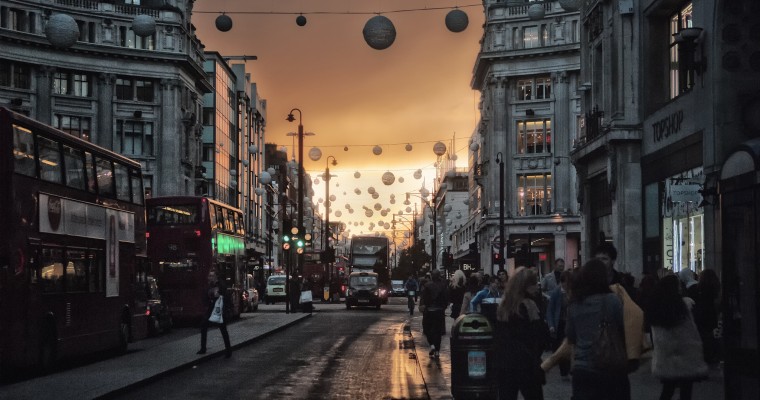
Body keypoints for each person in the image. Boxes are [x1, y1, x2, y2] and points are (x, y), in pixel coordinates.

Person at [565, 259, 629, 400]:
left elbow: (571, 336)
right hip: (609, 365)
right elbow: (622, 328)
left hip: (582, 367)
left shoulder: (574, 304)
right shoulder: (612, 300)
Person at [646, 274, 708, 400]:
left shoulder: (656, 308)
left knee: (668, 390)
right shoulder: (683, 306)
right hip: (685, 354)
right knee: (686, 392)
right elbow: (691, 331)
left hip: (666, 356)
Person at [493, 267, 548, 400]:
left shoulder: (504, 306)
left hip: (505, 363)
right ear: (526, 286)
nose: (537, 286)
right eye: (534, 283)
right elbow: (540, 335)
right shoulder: (529, 305)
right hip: (526, 364)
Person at [197, 269, 232, 358]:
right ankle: (203, 348)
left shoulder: (221, 285)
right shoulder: (209, 286)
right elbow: (206, 296)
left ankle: (228, 351)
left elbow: (224, 296)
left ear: (215, 276)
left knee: (223, 330)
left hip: (219, 311)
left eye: (211, 276)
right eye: (209, 276)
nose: (209, 277)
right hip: (211, 310)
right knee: (203, 326)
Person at [546, 269, 572, 380]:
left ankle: (569, 369)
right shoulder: (557, 292)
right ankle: (564, 371)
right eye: (565, 282)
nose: (567, 285)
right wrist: (551, 325)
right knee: (561, 347)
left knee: (570, 346)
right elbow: (550, 310)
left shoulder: (572, 292)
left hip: (570, 323)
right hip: (560, 323)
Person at [692, 268, 721, 366]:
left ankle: (706, 355)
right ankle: (712, 354)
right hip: (711, 314)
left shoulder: (699, 288)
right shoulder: (715, 288)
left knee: (704, 335)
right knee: (711, 335)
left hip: (703, 314)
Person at [419, 269, 449, 359]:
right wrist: (443, 307)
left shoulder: (427, 286)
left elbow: (423, 298)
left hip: (429, 311)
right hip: (439, 311)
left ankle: (432, 345)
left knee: (427, 329)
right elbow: (446, 298)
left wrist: (424, 306)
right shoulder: (443, 285)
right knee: (438, 331)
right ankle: (437, 350)